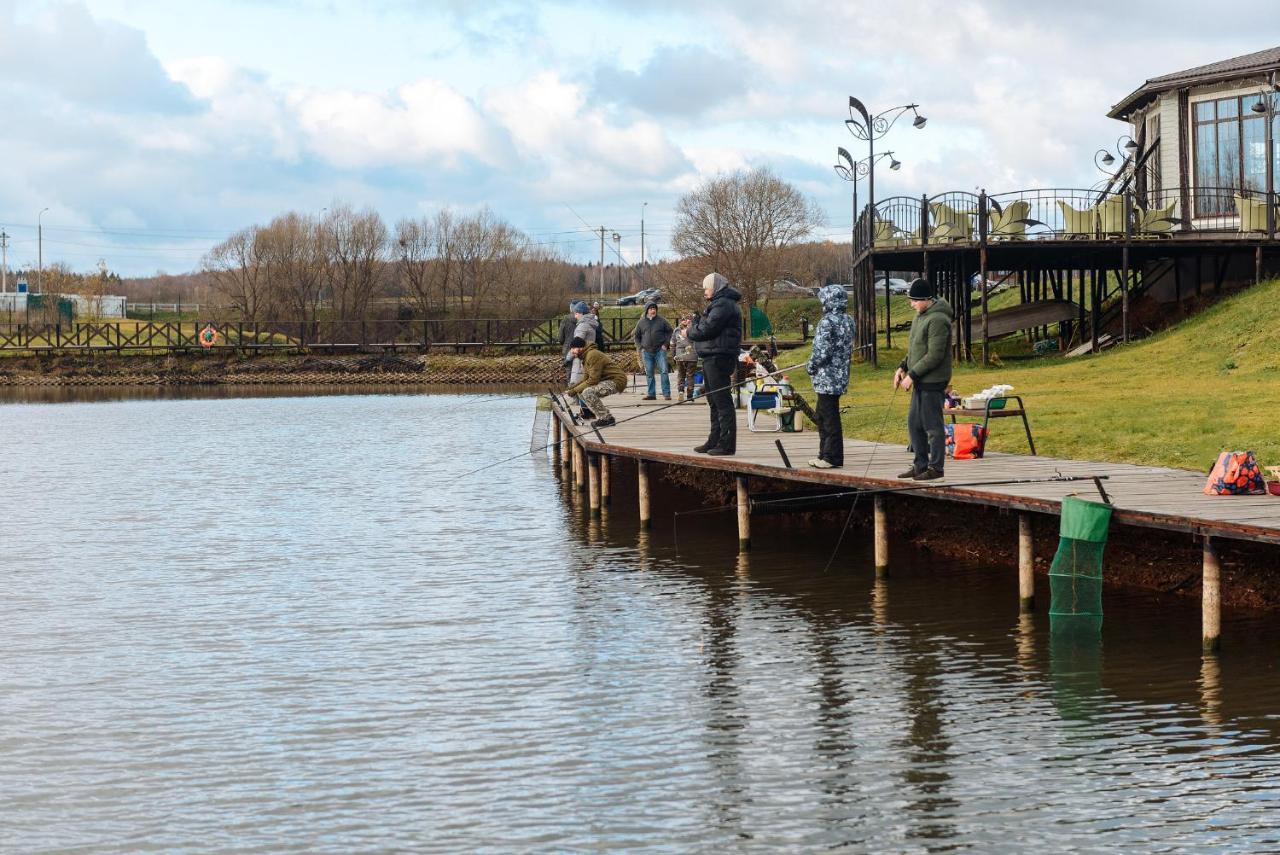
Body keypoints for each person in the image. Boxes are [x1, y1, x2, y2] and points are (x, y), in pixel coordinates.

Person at [893, 278, 954, 481]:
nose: (912, 304)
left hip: (933, 381)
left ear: (926, 299)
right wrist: (903, 367)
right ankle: (920, 465)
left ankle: (936, 469)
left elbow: (934, 355)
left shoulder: (938, 319)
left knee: (932, 426)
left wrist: (912, 375)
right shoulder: (921, 315)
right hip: (920, 379)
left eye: (915, 300)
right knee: (914, 424)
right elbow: (915, 349)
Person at [687, 272, 742, 456]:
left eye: (707, 288)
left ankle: (726, 443)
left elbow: (708, 329)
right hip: (712, 356)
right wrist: (695, 323)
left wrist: (689, 332)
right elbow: (705, 325)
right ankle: (714, 439)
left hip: (719, 357)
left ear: (716, 287)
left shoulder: (723, 304)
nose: (705, 291)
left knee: (722, 400)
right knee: (713, 401)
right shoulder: (718, 304)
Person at [806, 284, 856, 469]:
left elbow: (822, 351)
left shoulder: (827, 321)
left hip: (827, 377)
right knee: (823, 414)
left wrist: (810, 366)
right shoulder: (848, 320)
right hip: (841, 375)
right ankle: (824, 453)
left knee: (828, 417)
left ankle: (832, 457)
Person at [565, 335, 627, 428]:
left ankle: (607, 419)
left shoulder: (592, 355)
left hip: (616, 380)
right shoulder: (585, 357)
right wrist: (571, 388)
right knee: (582, 392)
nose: (572, 351)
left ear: (581, 347)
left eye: (573, 348)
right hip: (607, 380)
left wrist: (574, 391)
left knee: (587, 392)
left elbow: (593, 380)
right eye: (571, 349)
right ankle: (592, 414)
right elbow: (586, 379)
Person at [632, 301, 673, 401]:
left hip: (660, 350)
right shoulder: (641, 322)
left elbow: (670, 331)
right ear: (647, 310)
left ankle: (666, 394)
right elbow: (636, 336)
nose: (653, 310)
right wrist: (640, 347)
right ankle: (651, 394)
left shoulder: (662, 321)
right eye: (651, 309)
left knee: (664, 371)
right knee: (649, 373)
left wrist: (666, 344)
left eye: (654, 309)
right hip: (646, 351)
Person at [568, 301, 601, 415]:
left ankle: (586, 411)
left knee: (580, 383)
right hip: (589, 354)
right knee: (585, 383)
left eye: (576, 313)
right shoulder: (590, 323)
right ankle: (586, 410)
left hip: (582, 356)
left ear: (581, 313)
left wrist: (568, 357)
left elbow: (576, 344)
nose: (575, 315)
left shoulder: (582, 325)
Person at [670, 314, 699, 401]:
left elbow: (672, 344)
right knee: (690, 376)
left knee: (681, 375)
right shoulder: (695, 329)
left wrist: (673, 355)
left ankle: (681, 391)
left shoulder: (676, 330)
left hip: (680, 356)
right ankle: (690, 395)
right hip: (692, 356)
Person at [558, 303, 578, 386]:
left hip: (568, 348)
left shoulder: (565, 319)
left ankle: (571, 389)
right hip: (581, 348)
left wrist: (563, 343)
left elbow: (560, 338)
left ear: (571, 309)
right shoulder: (581, 319)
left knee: (569, 370)